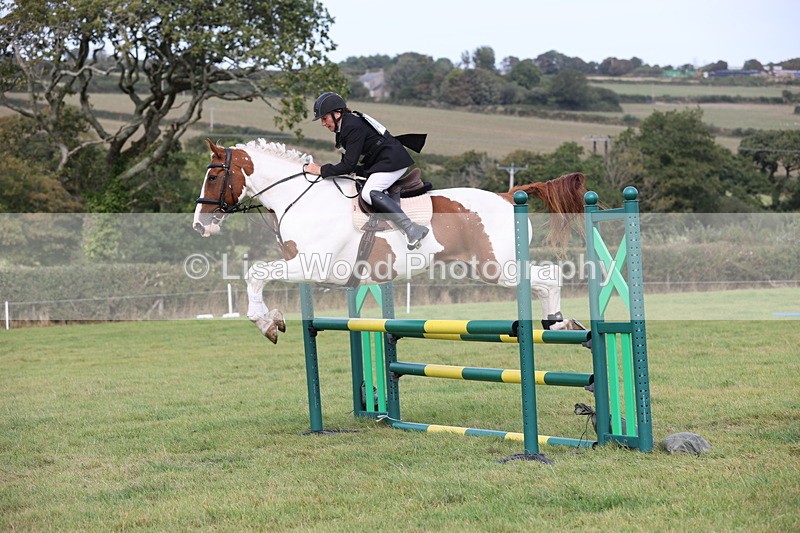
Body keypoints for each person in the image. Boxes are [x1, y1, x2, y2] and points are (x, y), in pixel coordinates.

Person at [303, 92, 429, 249]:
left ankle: (411, 229)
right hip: (380, 162)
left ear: (337, 113)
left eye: (324, 118)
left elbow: (348, 165)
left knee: (369, 193)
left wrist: (321, 170)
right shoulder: (343, 129)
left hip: (392, 161)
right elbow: (348, 165)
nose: (323, 123)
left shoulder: (351, 126)